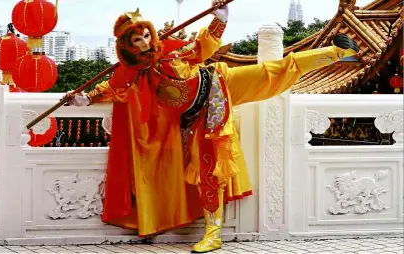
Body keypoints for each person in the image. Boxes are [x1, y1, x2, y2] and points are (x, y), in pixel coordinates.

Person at [64, 0, 359, 252]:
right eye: (137, 41)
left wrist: (219, 19)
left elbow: (202, 46)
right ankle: (213, 233)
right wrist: (83, 99)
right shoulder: (131, 73)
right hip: (197, 117)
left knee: (273, 70)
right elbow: (109, 89)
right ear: (127, 48)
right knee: (208, 169)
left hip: (219, 84)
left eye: (145, 35)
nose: (144, 43)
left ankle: (335, 53)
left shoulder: (171, 49)